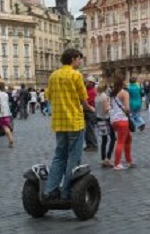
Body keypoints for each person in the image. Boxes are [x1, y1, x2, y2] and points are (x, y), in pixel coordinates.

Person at [43, 49, 94, 201]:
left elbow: (49, 96)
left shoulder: (53, 75)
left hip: (59, 122)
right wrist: (90, 108)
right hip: (74, 122)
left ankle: (50, 189)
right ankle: (67, 192)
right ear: (73, 59)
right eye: (79, 59)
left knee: (59, 156)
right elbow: (83, 99)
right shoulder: (76, 75)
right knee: (74, 157)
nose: (80, 62)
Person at [110, 73, 133, 170]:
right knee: (121, 141)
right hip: (122, 119)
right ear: (123, 81)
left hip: (114, 120)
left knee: (128, 139)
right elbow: (127, 108)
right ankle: (117, 163)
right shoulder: (124, 93)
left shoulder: (113, 93)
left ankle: (129, 161)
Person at [95, 81, 116, 167]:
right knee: (113, 138)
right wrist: (111, 107)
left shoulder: (97, 97)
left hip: (99, 119)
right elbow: (105, 110)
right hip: (106, 119)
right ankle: (108, 158)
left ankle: (103, 159)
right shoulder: (104, 96)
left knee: (104, 140)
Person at [83, 76, 99, 152]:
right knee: (87, 130)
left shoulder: (92, 91)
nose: (86, 83)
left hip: (90, 112)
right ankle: (89, 144)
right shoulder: (85, 89)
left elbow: (87, 102)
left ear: (92, 83)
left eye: (88, 82)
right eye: (86, 81)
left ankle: (94, 145)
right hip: (86, 111)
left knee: (90, 130)